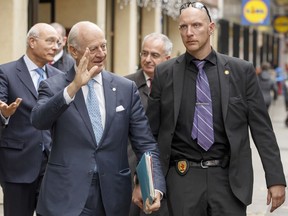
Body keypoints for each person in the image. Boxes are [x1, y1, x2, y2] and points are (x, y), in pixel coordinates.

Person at [145, 2, 286, 216]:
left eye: (196, 25)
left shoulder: (241, 71)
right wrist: (144, 182)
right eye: (183, 27)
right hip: (182, 180)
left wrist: (275, 179)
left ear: (211, 28)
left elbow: (262, 129)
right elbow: (150, 133)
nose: (189, 33)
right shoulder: (165, 73)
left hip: (229, 182)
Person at [31, 21, 165, 216]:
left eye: (104, 46)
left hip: (112, 197)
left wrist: (153, 186)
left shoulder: (125, 88)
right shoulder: (53, 86)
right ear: (73, 51)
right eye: (93, 49)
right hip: (65, 197)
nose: (101, 54)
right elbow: (38, 120)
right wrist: (73, 88)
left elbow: (145, 144)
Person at [0, 23, 62, 216]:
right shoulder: (6, 72)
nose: (56, 46)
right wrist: (4, 114)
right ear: (32, 42)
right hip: (18, 164)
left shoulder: (59, 78)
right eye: (50, 41)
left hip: (52, 163)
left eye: (58, 42)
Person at [125, 33, 172, 216]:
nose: (147, 59)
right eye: (144, 54)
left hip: (165, 169)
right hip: (130, 168)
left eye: (154, 55)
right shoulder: (125, 85)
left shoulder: (174, 86)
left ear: (167, 58)